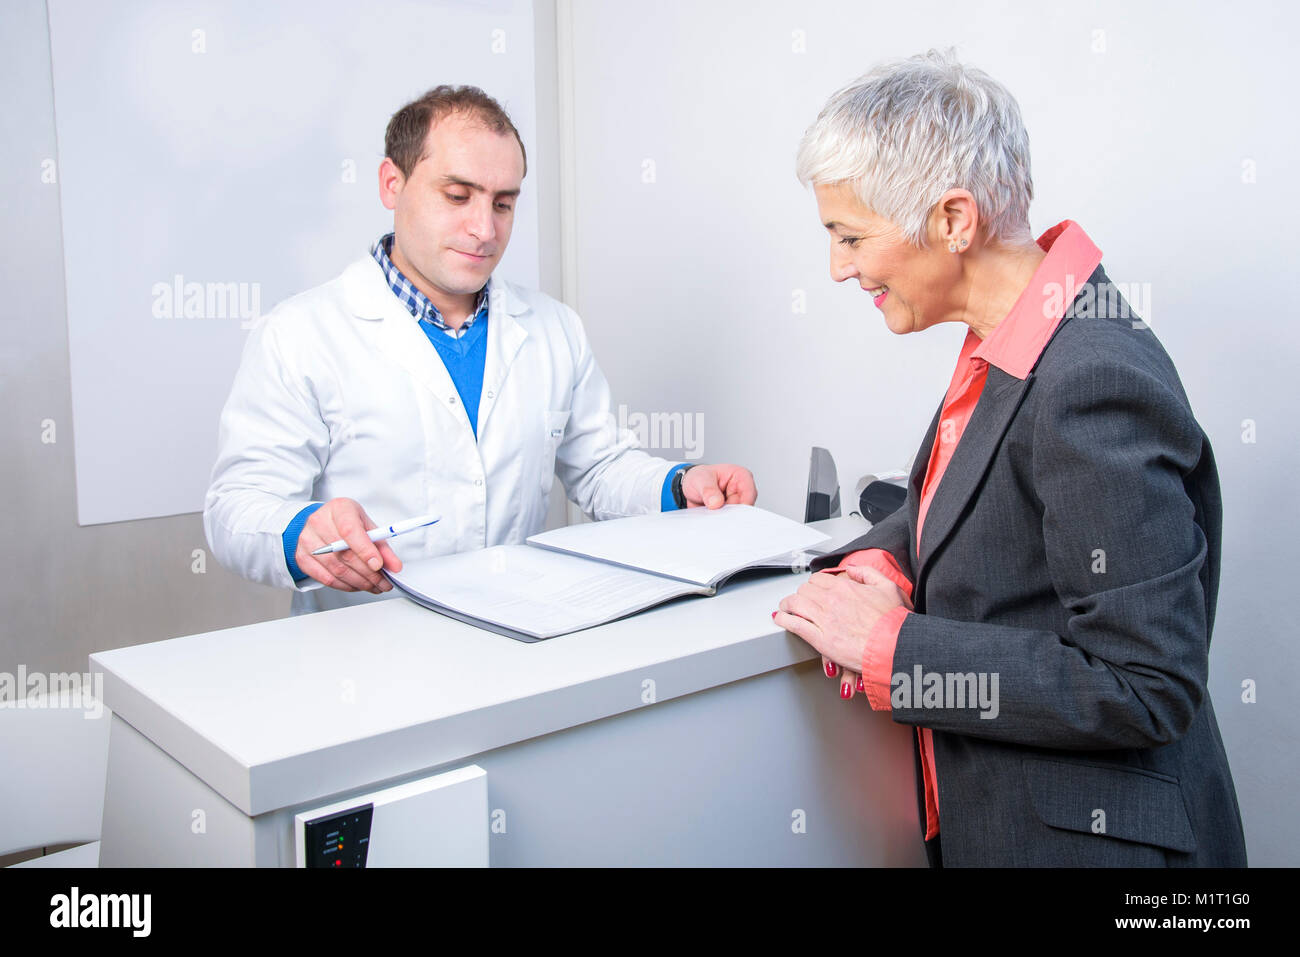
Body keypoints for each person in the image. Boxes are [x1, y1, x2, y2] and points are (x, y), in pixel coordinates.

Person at [776, 50, 1246, 866]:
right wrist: (876, 565)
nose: (839, 266)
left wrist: (894, 649)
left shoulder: (1090, 378)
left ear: (954, 220)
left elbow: (1147, 684)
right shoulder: (1011, 336)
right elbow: (943, 504)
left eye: (851, 236)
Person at [204, 86, 756, 616]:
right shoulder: (301, 333)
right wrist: (302, 532)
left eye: (504, 203)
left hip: (517, 633)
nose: (483, 228)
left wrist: (680, 485)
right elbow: (236, 508)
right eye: (457, 196)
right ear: (391, 184)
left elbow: (600, 468)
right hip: (364, 652)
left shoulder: (551, 327)